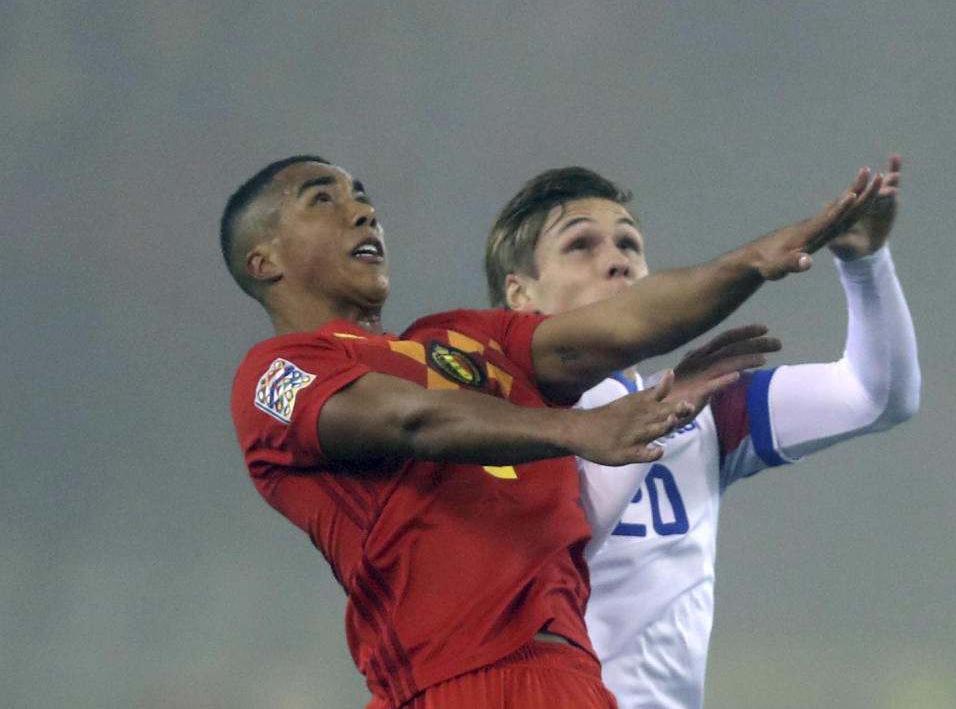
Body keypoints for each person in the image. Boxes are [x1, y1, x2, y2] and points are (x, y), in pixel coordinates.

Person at [225, 154, 879, 709]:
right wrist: (576, 428)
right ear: (264, 260)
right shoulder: (275, 375)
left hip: (572, 679)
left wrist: (752, 263)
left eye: (364, 199)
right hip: (455, 681)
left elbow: (621, 328)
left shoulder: (459, 339)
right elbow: (410, 417)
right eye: (324, 201)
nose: (363, 213)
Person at [484, 155, 920, 709]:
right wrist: (661, 413)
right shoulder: (493, 412)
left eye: (629, 244)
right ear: (520, 295)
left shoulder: (701, 406)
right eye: (581, 245)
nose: (617, 261)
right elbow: (548, 554)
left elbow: (876, 397)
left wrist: (866, 263)